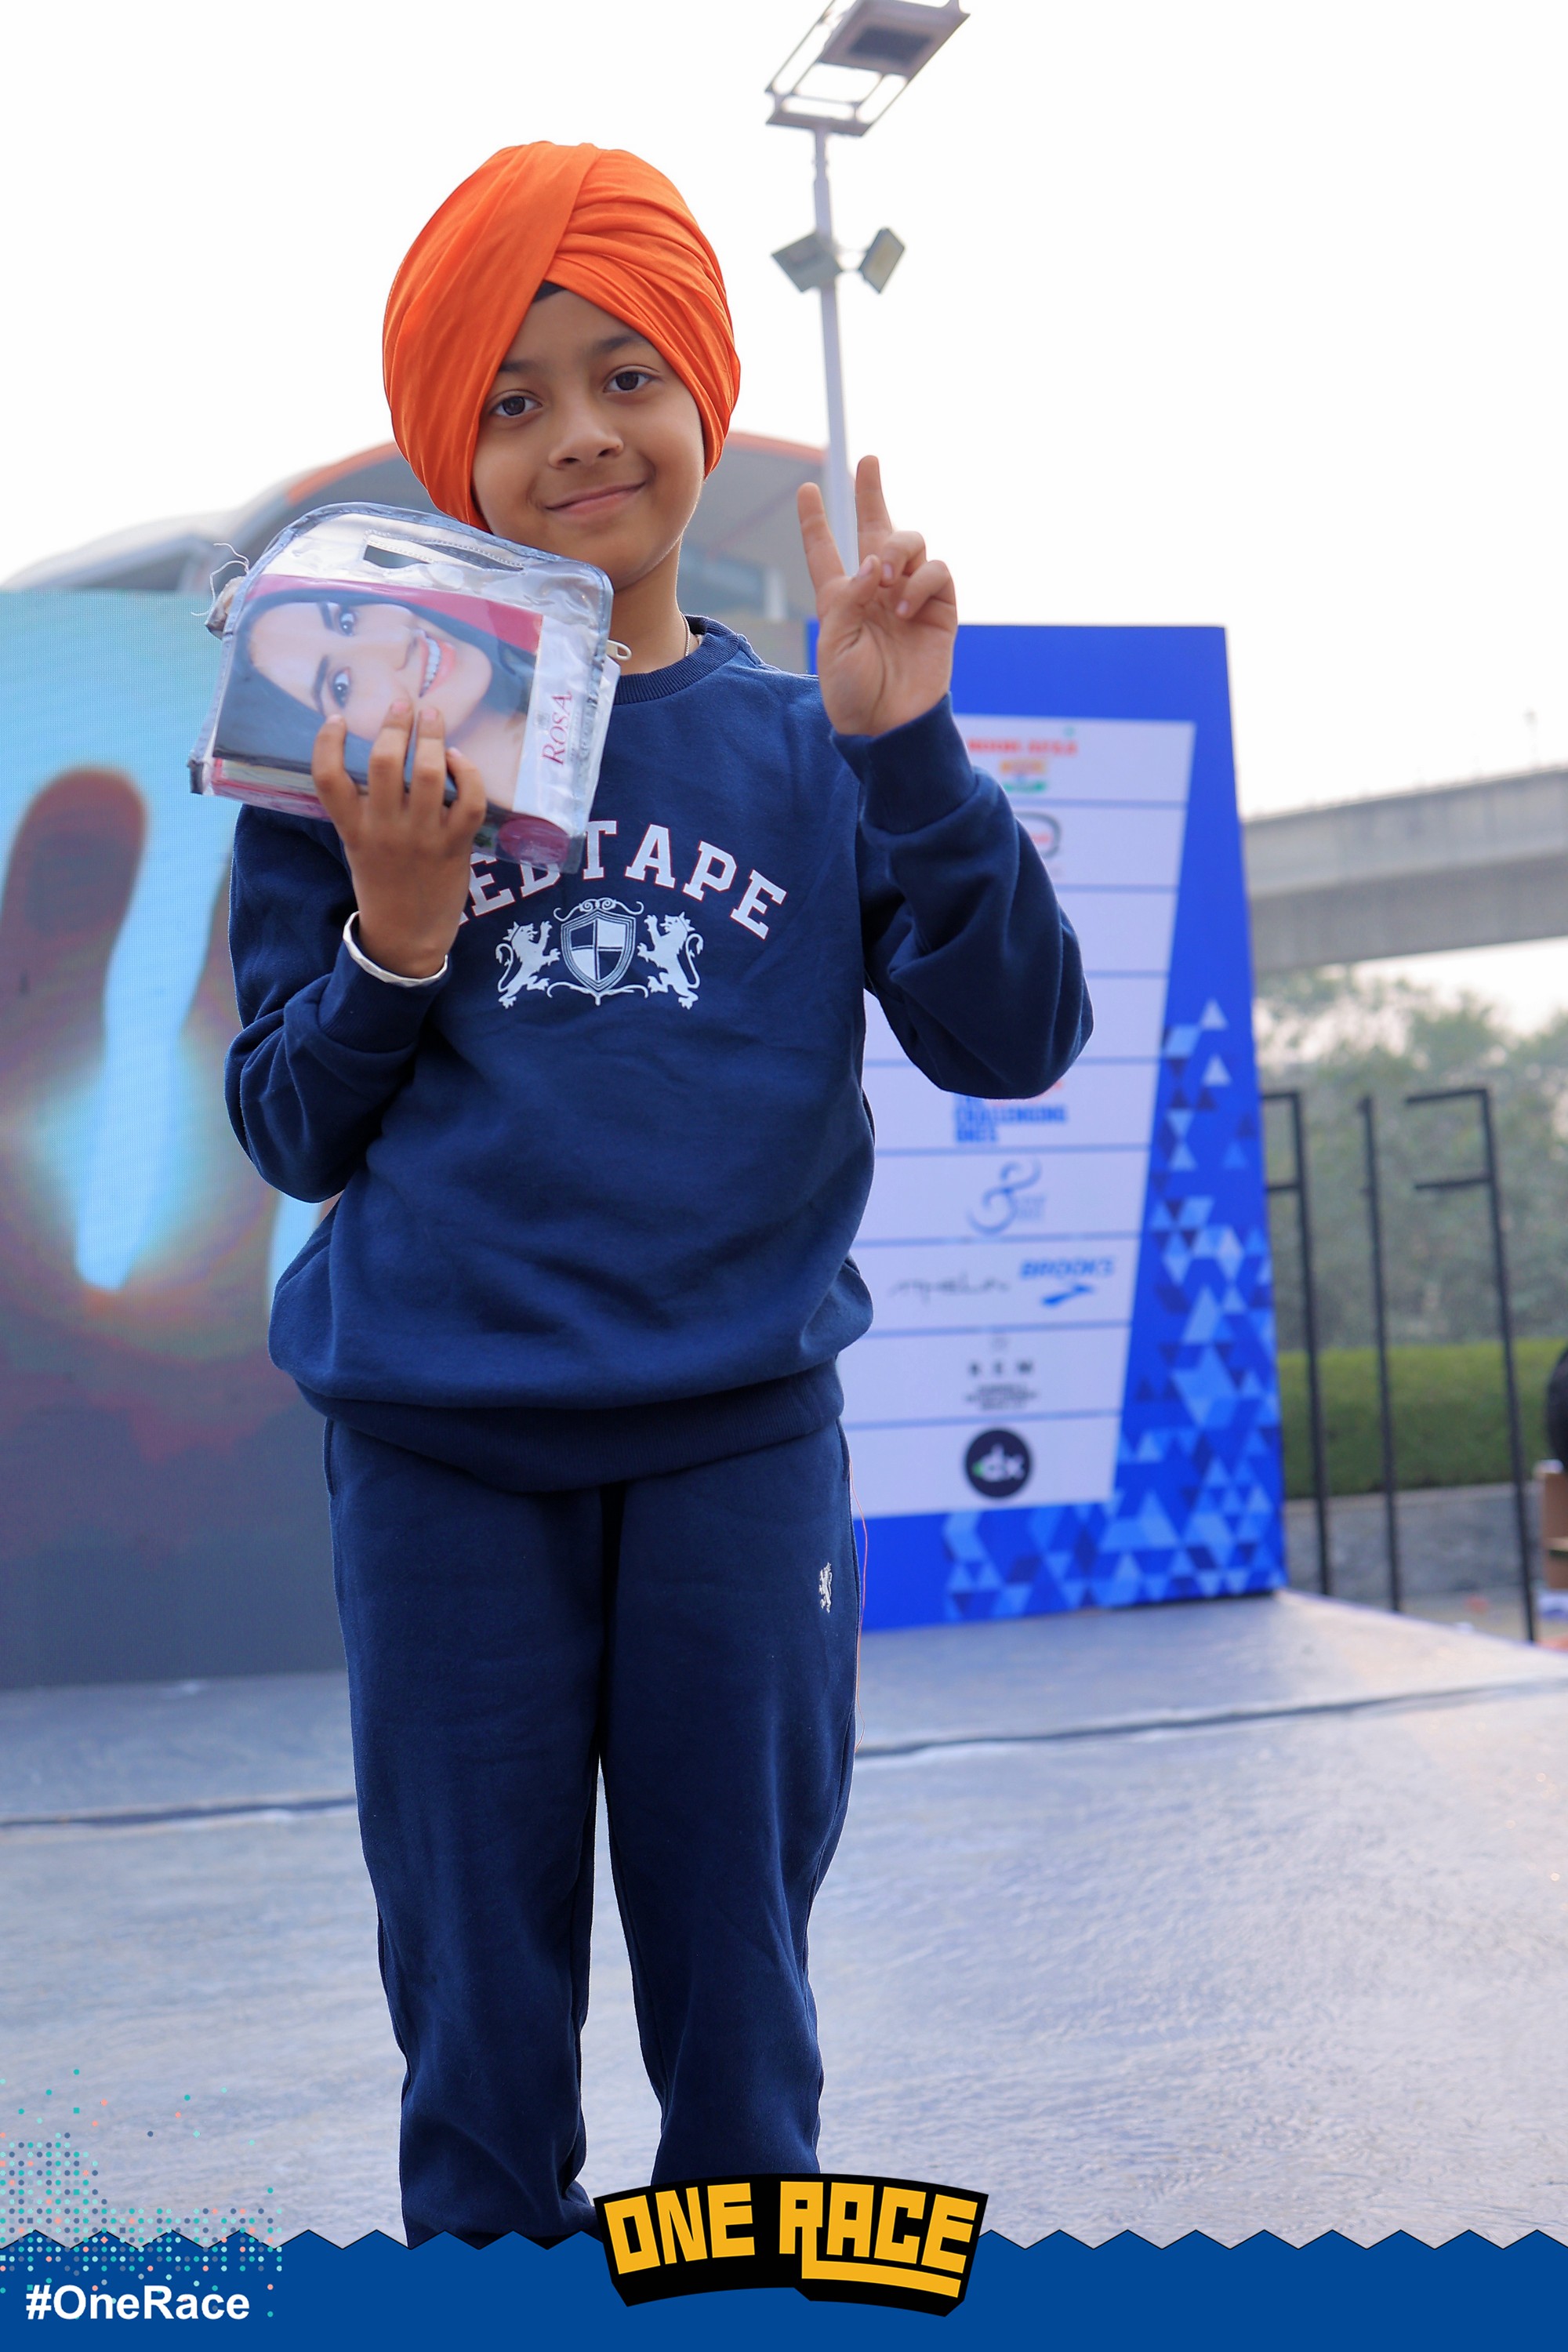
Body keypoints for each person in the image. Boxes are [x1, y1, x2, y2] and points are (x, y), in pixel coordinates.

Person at [224, 140, 1091, 2247]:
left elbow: (1016, 1037)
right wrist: (396, 928)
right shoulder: (354, 751)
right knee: (475, 2026)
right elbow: (289, 1126)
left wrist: (910, 754)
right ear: (452, 451)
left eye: (624, 376)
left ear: (702, 392)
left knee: (742, 2018)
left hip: (736, 1454)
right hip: (441, 1457)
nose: (580, 437)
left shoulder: (808, 744)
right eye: (513, 400)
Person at [217, 587, 538, 809]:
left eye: (346, 621)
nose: (396, 640)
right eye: (341, 686)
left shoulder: (554, 637)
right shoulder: (308, 847)